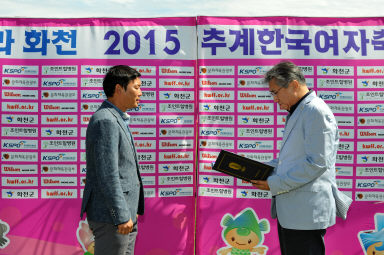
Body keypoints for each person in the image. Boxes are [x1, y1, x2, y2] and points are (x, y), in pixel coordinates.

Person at [252, 61, 352, 255]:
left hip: (306, 213)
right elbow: (291, 159)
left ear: (294, 85)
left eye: (275, 92)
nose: (274, 99)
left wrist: (276, 183)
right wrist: (257, 168)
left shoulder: (316, 111)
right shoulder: (300, 110)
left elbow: (317, 163)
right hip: (294, 211)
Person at [81, 65, 144, 255]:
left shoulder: (117, 118)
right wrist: (121, 215)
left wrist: (131, 209)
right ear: (119, 89)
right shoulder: (106, 120)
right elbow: (107, 174)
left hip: (125, 214)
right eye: (136, 87)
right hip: (112, 217)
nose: (140, 93)